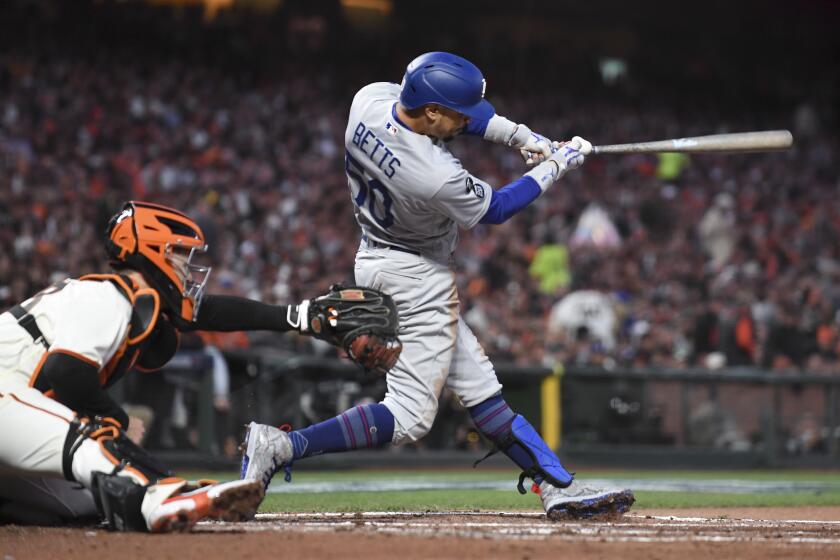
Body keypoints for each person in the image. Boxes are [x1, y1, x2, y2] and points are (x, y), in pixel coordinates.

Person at [241, 52, 634, 519]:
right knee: (409, 415)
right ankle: (282, 445)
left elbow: (461, 117)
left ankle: (555, 484)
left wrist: (525, 138)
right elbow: (497, 209)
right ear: (431, 112)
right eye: (456, 114)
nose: (466, 122)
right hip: (414, 276)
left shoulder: (368, 100)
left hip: (381, 255)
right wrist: (556, 165)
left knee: (480, 388)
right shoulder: (433, 174)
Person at [0, 201, 400, 531]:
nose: (186, 268)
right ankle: (162, 491)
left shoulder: (126, 301)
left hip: (14, 419)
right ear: (153, 252)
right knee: (102, 449)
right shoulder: (108, 296)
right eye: (178, 254)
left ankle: (150, 490)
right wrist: (119, 422)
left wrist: (296, 317)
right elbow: (66, 374)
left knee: (86, 505)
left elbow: (208, 313)